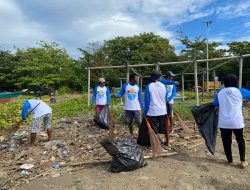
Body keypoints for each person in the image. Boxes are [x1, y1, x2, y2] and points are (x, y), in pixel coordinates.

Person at [213, 74, 250, 168]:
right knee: (241, 140)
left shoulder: (219, 92)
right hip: (236, 121)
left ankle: (230, 160)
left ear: (224, 83)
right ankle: (243, 162)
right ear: (235, 82)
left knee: (226, 141)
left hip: (224, 122)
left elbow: (215, 103)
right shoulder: (241, 91)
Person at [144, 70, 169, 146]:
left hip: (153, 111)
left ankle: (156, 144)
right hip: (162, 111)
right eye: (161, 76)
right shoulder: (163, 86)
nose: (161, 77)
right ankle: (167, 142)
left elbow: (147, 101)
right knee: (165, 128)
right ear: (158, 77)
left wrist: (145, 112)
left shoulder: (148, 86)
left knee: (154, 129)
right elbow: (165, 99)